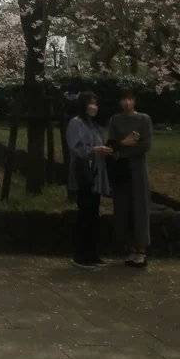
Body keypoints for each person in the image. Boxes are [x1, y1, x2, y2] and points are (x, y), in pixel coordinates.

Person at [66, 90, 112, 269]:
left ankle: (93, 254)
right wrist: (95, 150)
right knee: (85, 213)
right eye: (90, 103)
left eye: (95, 102)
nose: (93, 106)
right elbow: (77, 148)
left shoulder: (93, 125)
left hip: (96, 173)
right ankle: (81, 255)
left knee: (93, 214)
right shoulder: (76, 123)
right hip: (84, 173)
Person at [107, 87, 153, 268]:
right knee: (123, 206)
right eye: (123, 99)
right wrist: (120, 146)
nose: (126, 103)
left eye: (129, 99)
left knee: (139, 206)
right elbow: (111, 144)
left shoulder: (143, 119)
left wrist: (122, 152)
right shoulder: (115, 120)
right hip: (121, 170)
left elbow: (145, 145)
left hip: (138, 168)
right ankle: (130, 247)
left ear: (134, 100)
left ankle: (142, 249)